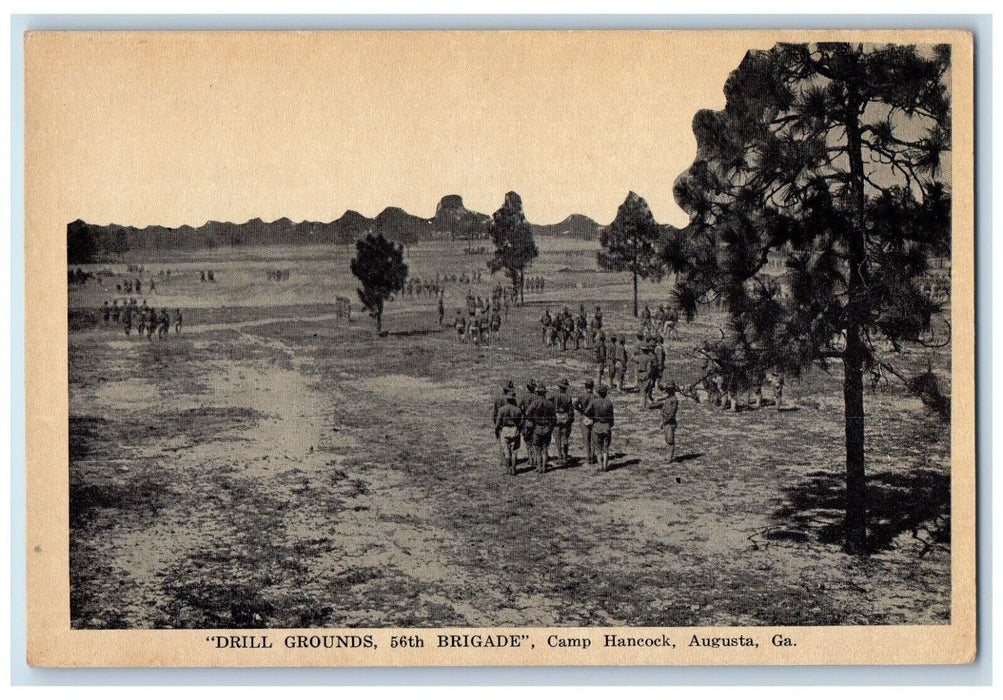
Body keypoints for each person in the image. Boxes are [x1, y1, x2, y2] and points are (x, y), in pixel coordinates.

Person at [526, 384, 556, 474]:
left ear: (538, 393)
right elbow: (554, 418)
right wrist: (551, 427)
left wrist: (533, 419)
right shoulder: (549, 404)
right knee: (545, 448)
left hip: (537, 427)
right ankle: (544, 467)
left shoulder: (535, 403)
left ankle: (539, 467)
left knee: (537, 448)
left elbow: (527, 413)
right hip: (547, 427)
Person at [586, 384, 615, 472]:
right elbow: (611, 417)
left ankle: (600, 466)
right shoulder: (609, 403)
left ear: (598, 393)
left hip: (597, 425)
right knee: (606, 447)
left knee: (598, 448)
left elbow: (587, 412)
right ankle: (606, 466)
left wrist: (592, 417)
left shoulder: (594, 402)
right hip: (607, 426)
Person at [495, 393, 523, 475]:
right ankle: (514, 469)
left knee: (506, 451)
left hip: (505, 429)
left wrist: (496, 431)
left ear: (507, 399)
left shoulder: (502, 409)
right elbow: (521, 422)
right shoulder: (517, 410)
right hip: (515, 429)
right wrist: (519, 429)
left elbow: (498, 423)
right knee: (514, 451)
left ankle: (508, 469)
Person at [549, 379, 574, 465]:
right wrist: (571, 420)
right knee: (565, 438)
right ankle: (565, 456)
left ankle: (560, 456)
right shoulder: (568, 397)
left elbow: (549, 402)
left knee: (557, 438)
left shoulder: (554, 395)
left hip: (557, 416)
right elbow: (571, 410)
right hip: (565, 416)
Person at [574, 378, 596, 465]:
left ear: (585, 386)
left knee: (586, 439)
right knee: (593, 439)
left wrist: (581, 411)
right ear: (592, 386)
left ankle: (588, 457)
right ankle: (592, 456)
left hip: (584, 417)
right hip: (593, 418)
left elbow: (575, 404)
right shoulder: (595, 396)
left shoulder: (581, 396)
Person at [660, 382, 680, 463]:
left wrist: (664, 422)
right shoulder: (669, 398)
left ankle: (669, 457)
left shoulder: (674, 400)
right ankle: (668, 455)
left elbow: (672, 413)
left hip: (670, 422)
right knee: (667, 439)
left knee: (670, 441)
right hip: (666, 421)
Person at [638, 343, 655, 408]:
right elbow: (649, 369)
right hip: (646, 374)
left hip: (640, 374)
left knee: (641, 390)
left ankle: (641, 404)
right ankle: (643, 405)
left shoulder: (640, 357)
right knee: (645, 390)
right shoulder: (648, 358)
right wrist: (649, 375)